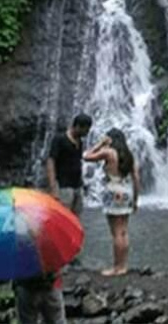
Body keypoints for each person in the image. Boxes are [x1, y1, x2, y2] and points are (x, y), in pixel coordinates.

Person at [83, 128, 139, 276]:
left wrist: (100, 144)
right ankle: (123, 265)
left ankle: (116, 268)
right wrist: (135, 199)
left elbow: (87, 156)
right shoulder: (129, 155)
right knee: (124, 231)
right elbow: (136, 178)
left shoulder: (108, 152)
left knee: (116, 233)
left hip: (113, 192)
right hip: (126, 192)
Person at [46, 113, 92, 215]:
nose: (87, 133)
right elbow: (51, 161)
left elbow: (78, 161)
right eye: (86, 130)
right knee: (63, 216)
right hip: (64, 186)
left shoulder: (79, 141)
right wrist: (53, 186)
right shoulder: (60, 139)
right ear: (78, 126)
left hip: (77, 186)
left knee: (75, 218)